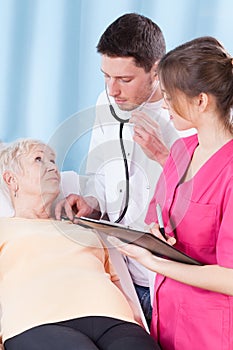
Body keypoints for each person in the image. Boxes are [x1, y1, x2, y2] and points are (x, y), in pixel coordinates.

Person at [55, 13, 180, 325]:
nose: (113, 90)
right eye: (106, 76)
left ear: (156, 70)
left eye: (125, 80)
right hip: (122, 272)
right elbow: (101, 176)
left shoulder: (184, 115)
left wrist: (165, 156)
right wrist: (92, 204)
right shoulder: (106, 103)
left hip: (167, 278)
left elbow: (206, 197)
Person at [109, 36, 233, 349]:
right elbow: (161, 218)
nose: (164, 104)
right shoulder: (181, 149)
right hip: (166, 318)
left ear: (201, 101)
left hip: (211, 331)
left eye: (169, 96)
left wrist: (155, 262)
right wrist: (156, 235)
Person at [0, 139, 159, 350]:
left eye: (53, 160)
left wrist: (137, 318)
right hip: (38, 322)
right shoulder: (5, 229)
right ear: (11, 179)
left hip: (115, 319)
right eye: (38, 159)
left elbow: (114, 278)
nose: (52, 167)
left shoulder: (84, 228)